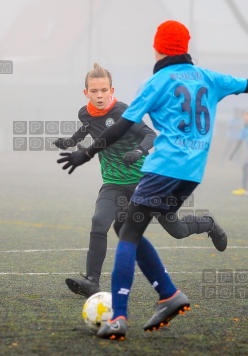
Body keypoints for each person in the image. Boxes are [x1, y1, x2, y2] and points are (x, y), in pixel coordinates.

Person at [57, 20, 248, 340]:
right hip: (192, 174)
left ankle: (120, 316)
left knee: (126, 230)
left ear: (158, 47)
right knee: (142, 226)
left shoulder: (156, 82)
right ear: (185, 47)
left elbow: (121, 127)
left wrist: (85, 154)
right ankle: (168, 294)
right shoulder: (209, 77)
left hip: (163, 169)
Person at [54, 63, 227, 299]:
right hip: (114, 184)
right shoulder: (84, 113)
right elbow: (86, 129)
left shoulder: (125, 112)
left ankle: (207, 223)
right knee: (99, 221)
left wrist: (138, 152)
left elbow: (150, 135)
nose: (99, 95)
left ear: (112, 90)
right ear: (86, 93)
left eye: (104, 90)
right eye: (94, 91)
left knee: (177, 230)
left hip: (147, 184)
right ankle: (92, 281)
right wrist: (69, 141)